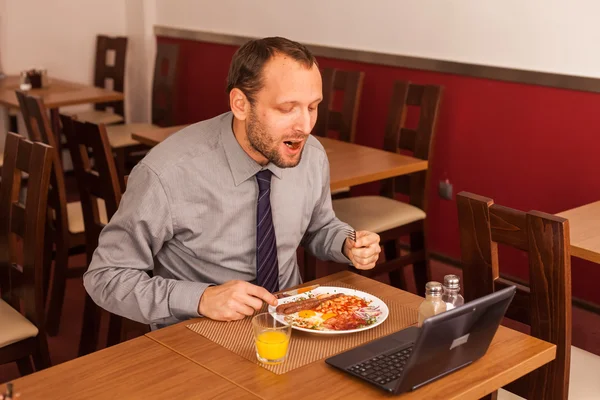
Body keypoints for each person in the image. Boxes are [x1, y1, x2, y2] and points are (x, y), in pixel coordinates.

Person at [83, 37, 381, 329]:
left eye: (312, 107)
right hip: (199, 334)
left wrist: (346, 242)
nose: (304, 126)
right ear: (240, 104)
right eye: (287, 108)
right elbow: (105, 276)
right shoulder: (167, 172)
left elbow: (319, 226)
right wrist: (201, 299)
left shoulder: (311, 155)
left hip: (293, 323)